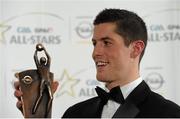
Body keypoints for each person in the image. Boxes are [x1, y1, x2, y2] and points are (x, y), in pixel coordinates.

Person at [14, 8, 180, 118]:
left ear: (136, 49)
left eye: (107, 43)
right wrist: (38, 116)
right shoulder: (75, 114)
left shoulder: (169, 114)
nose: (95, 53)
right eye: (95, 44)